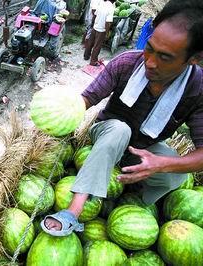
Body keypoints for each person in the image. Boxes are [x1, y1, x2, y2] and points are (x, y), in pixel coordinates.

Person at [42, 0, 203, 236]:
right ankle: (74, 210)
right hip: (107, 132)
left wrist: (162, 164)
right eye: (150, 48)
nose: (150, 62)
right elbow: (87, 99)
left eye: (165, 57)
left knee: (174, 176)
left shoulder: (197, 90)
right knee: (120, 130)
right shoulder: (127, 63)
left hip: (142, 147)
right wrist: (59, 112)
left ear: (194, 59)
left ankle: (132, 204)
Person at [83, 0, 115, 66]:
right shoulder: (111, 8)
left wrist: (93, 23)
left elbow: (95, 14)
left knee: (90, 42)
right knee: (97, 46)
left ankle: (86, 56)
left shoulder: (102, 3)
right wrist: (107, 33)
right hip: (101, 30)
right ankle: (93, 61)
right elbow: (108, 22)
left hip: (95, 26)